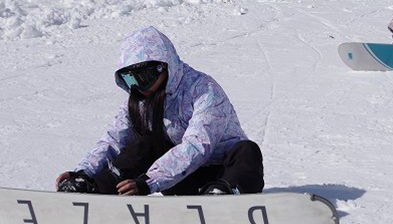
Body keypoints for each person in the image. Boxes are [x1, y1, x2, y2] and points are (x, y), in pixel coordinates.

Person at [55, 26, 264, 196]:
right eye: (130, 80)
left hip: (223, 172)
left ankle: (224, 195)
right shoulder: (142, 99)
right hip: (181, 179)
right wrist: (84, 171)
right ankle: (95, 190)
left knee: (247, 150)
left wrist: (150, 181)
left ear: (165, 66)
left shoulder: (204, 90)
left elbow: (198, 145)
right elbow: (113, 139)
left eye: (143, 78)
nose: (139, 88)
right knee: (144, 144)